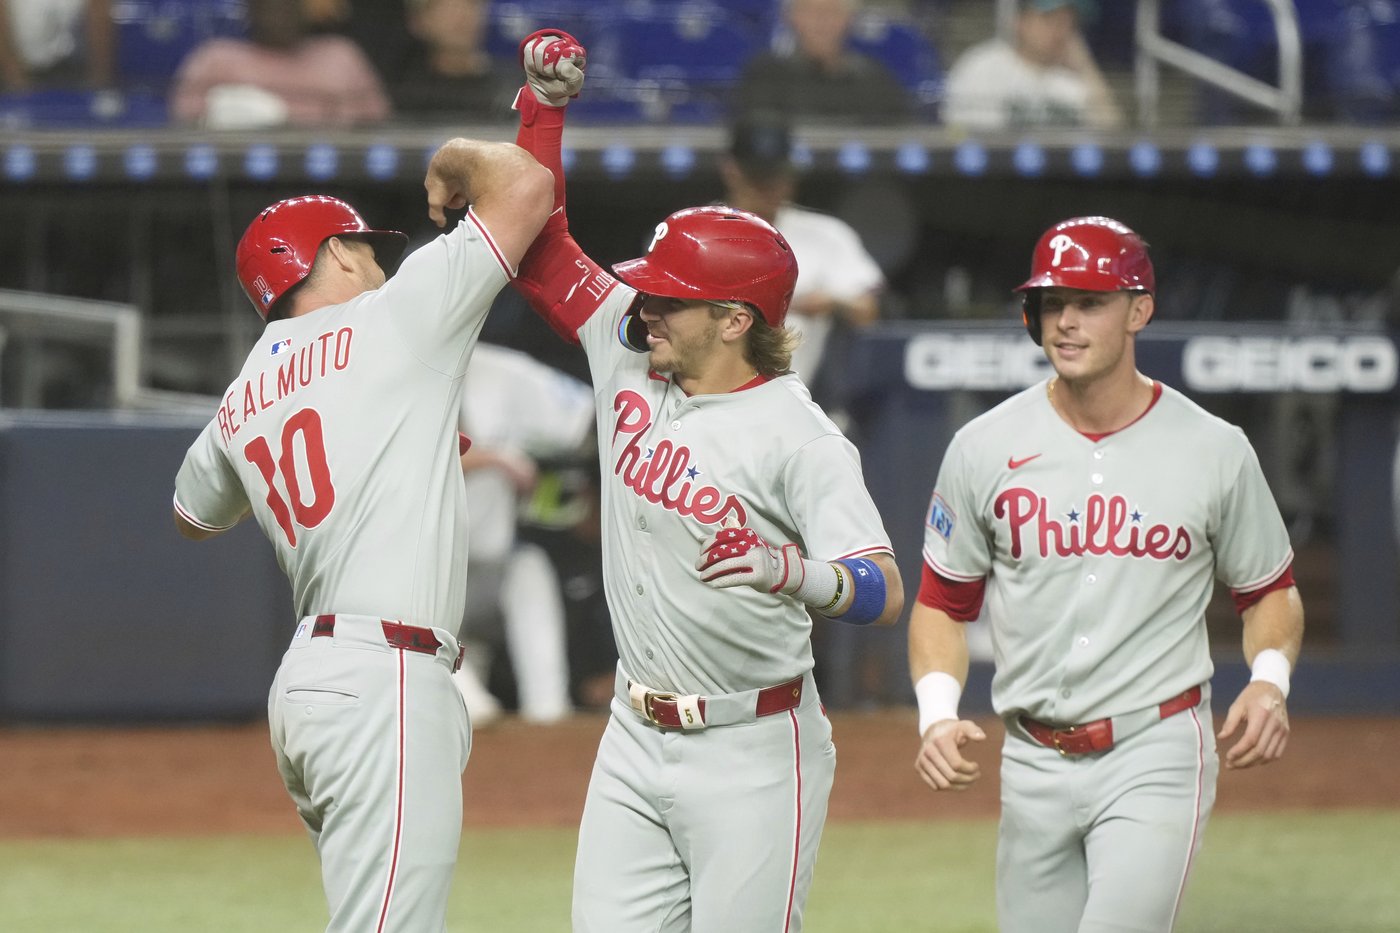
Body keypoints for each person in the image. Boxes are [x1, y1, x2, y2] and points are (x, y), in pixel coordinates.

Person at [508, 29, 905, 932]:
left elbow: (883, 588)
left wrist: (793, 572)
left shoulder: (799, 436)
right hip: (632, 740)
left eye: (667, 298)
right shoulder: (630, 356)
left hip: (755, 747)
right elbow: (540, 253)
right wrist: (543, 111)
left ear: (733, 320)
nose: (642, 305)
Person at [171, 140, 552, 928]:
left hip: (309, 688)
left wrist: (373, 446)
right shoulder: (392, 318)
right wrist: (452, 158)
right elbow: (525, 186)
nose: (378, 262)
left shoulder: (242, 393)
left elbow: (191, 515)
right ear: (335, 254)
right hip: (385, 678)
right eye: (366, 248)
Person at [909, 216, 1305, 933]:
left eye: (1089, 301)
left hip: (1154, 748)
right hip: (1031, 758)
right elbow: (942, 599)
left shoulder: (1214, 448)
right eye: (1052, 302)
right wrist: (936, 714)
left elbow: (1268, 589)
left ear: (1139, 310)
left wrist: (1269, 682)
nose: (1064, 321)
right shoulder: (984, 446)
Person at [452, 341, 596, 725]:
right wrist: (495, 457)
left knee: (529, 570)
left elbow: (589, 421)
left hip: (491, 565)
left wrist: (581, 484)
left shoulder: (497, 368)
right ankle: (474, 710)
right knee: (474, 714)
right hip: (422, 582)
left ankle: (547, 716)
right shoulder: (385, 367)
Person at [718, 113, 883, 391]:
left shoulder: (825, 234)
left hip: (794, 394)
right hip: (707, 396)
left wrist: (830, 302)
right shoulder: (696, 230)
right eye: (757, 176)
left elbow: (867, 311)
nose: (768, 186)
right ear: (731, 170)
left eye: (776, 175)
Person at [169, 0, 390, 128]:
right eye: (272, 6)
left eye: (290, 6)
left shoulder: (340, 54)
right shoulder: (216, 57)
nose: (282, 15)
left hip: (337, 184)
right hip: (236, 185)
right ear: (252, 10)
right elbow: (184, 123)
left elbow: (377, 123)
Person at [943, 0, 1123, 131]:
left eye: (1069, 23)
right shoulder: (983, 64)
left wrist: (1085, 66)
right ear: (1020, 22)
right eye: (1050, 19)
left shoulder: (1073, 81)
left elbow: (1111, 134)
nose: (1060, 30)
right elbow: (965, 135)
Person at [733, 0, 911, 125]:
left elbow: (898, 136)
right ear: (791, 18)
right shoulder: (765, 74)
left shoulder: (875, 78)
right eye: (810, 12)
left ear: (849, 19)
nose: (821, 21)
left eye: (832, 12)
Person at [392, 0, 519, 121]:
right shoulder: (402, 93)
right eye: (447, 8)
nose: (462, 17)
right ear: (418, 21)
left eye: (470, 5)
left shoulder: (514, 87)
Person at [0, 0, 111, 91]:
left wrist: (99, 79)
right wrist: (16, 80)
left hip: (75, 70)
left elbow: (99, 10)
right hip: (20, 72)